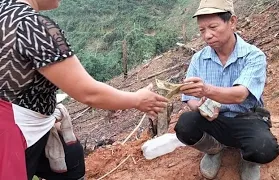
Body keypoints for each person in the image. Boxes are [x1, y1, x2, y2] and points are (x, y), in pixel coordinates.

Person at [0, 0, 168, 180]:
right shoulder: (33, 26)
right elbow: (88, 92)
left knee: (71, 157)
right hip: (15, 134)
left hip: (29, 121)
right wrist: (136, 99)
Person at [174, 0, 279, 179]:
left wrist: (206, 90)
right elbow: (189, 97)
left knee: (265, 149)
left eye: (213, 27)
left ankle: (249, 158)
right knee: (185, 125)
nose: (207, 35)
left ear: (232, 22)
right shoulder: (198, 59)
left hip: (246, 118)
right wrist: (199, 107)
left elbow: (240, 95)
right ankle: (214, 149)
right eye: (202, 30)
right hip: (215, 121)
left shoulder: (253, 56)